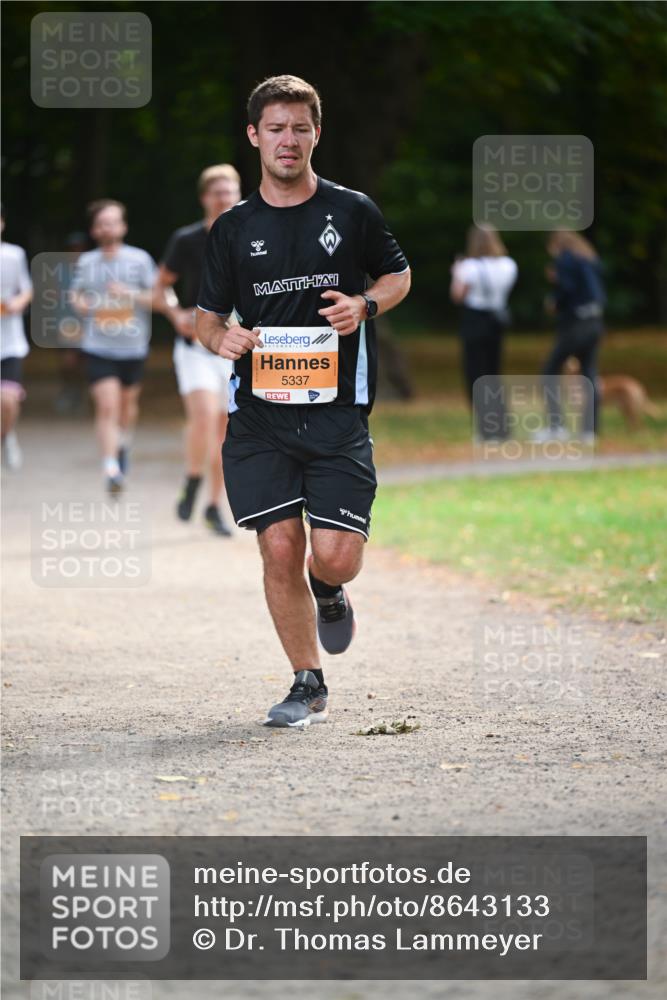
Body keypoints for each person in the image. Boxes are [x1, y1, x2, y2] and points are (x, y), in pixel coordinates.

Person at [196, 74, 411, 728]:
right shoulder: (233, 229)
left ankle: (329, 589)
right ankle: (306, 681)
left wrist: (365, 303)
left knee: (335, 556)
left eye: (299, 127)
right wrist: (223, 337)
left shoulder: (352, 211)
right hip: (259, 419)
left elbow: (397, 275)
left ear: (316, 133)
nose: (287, 140)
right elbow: (205, 319)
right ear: (253, 137)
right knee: (279, 547)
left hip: (337, 415)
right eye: (275, 128)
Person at [156, 165, 242, 536]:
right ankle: (192, 478)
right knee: (204, 416)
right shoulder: (186, 239)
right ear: (205, 197)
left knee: (225, 431)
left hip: (231, 347)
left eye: (230, 191)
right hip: (193, 347)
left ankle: (212, 504)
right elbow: (160, 287)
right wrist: (176, 314)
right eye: (217, 192)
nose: (224, 198)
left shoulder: (249, 235)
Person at [70, 200, 156, 494]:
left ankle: (121, 447)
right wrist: (85, 305)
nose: (108, 227)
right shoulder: (86, 262)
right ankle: (111, 469)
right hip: (98, 345)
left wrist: (128, 293)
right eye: (102, 223)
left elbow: (157, 298)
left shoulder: (140, 260)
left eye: (113, 222)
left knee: (126, 408)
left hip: (133, 347)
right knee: (107, 406)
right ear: (95, 230)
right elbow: (76, 297)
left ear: (123, 226)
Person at [536, 230, 605, 442]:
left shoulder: (565, 260)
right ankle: (589, 431)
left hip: (576, 323)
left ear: (556, 243)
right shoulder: (589, 259)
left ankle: (557, 427)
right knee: (589, 373)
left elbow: (567, 289)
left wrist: (554, 301)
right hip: (595, 322)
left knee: (549, 372)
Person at [450, 225, 517, 441]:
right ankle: (502, 426)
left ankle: (485, 428)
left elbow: (458, 295)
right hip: (497, 321)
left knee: (475, 374)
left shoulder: (468, 266)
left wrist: (455, 274)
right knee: (493, 373)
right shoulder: (508, 265)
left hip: (475, 319)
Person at [0, 204, 33, 470]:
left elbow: (27, 290)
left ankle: (6, 435)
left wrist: (17, 304)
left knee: (8, 401)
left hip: (10, 343)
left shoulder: (13, 255)